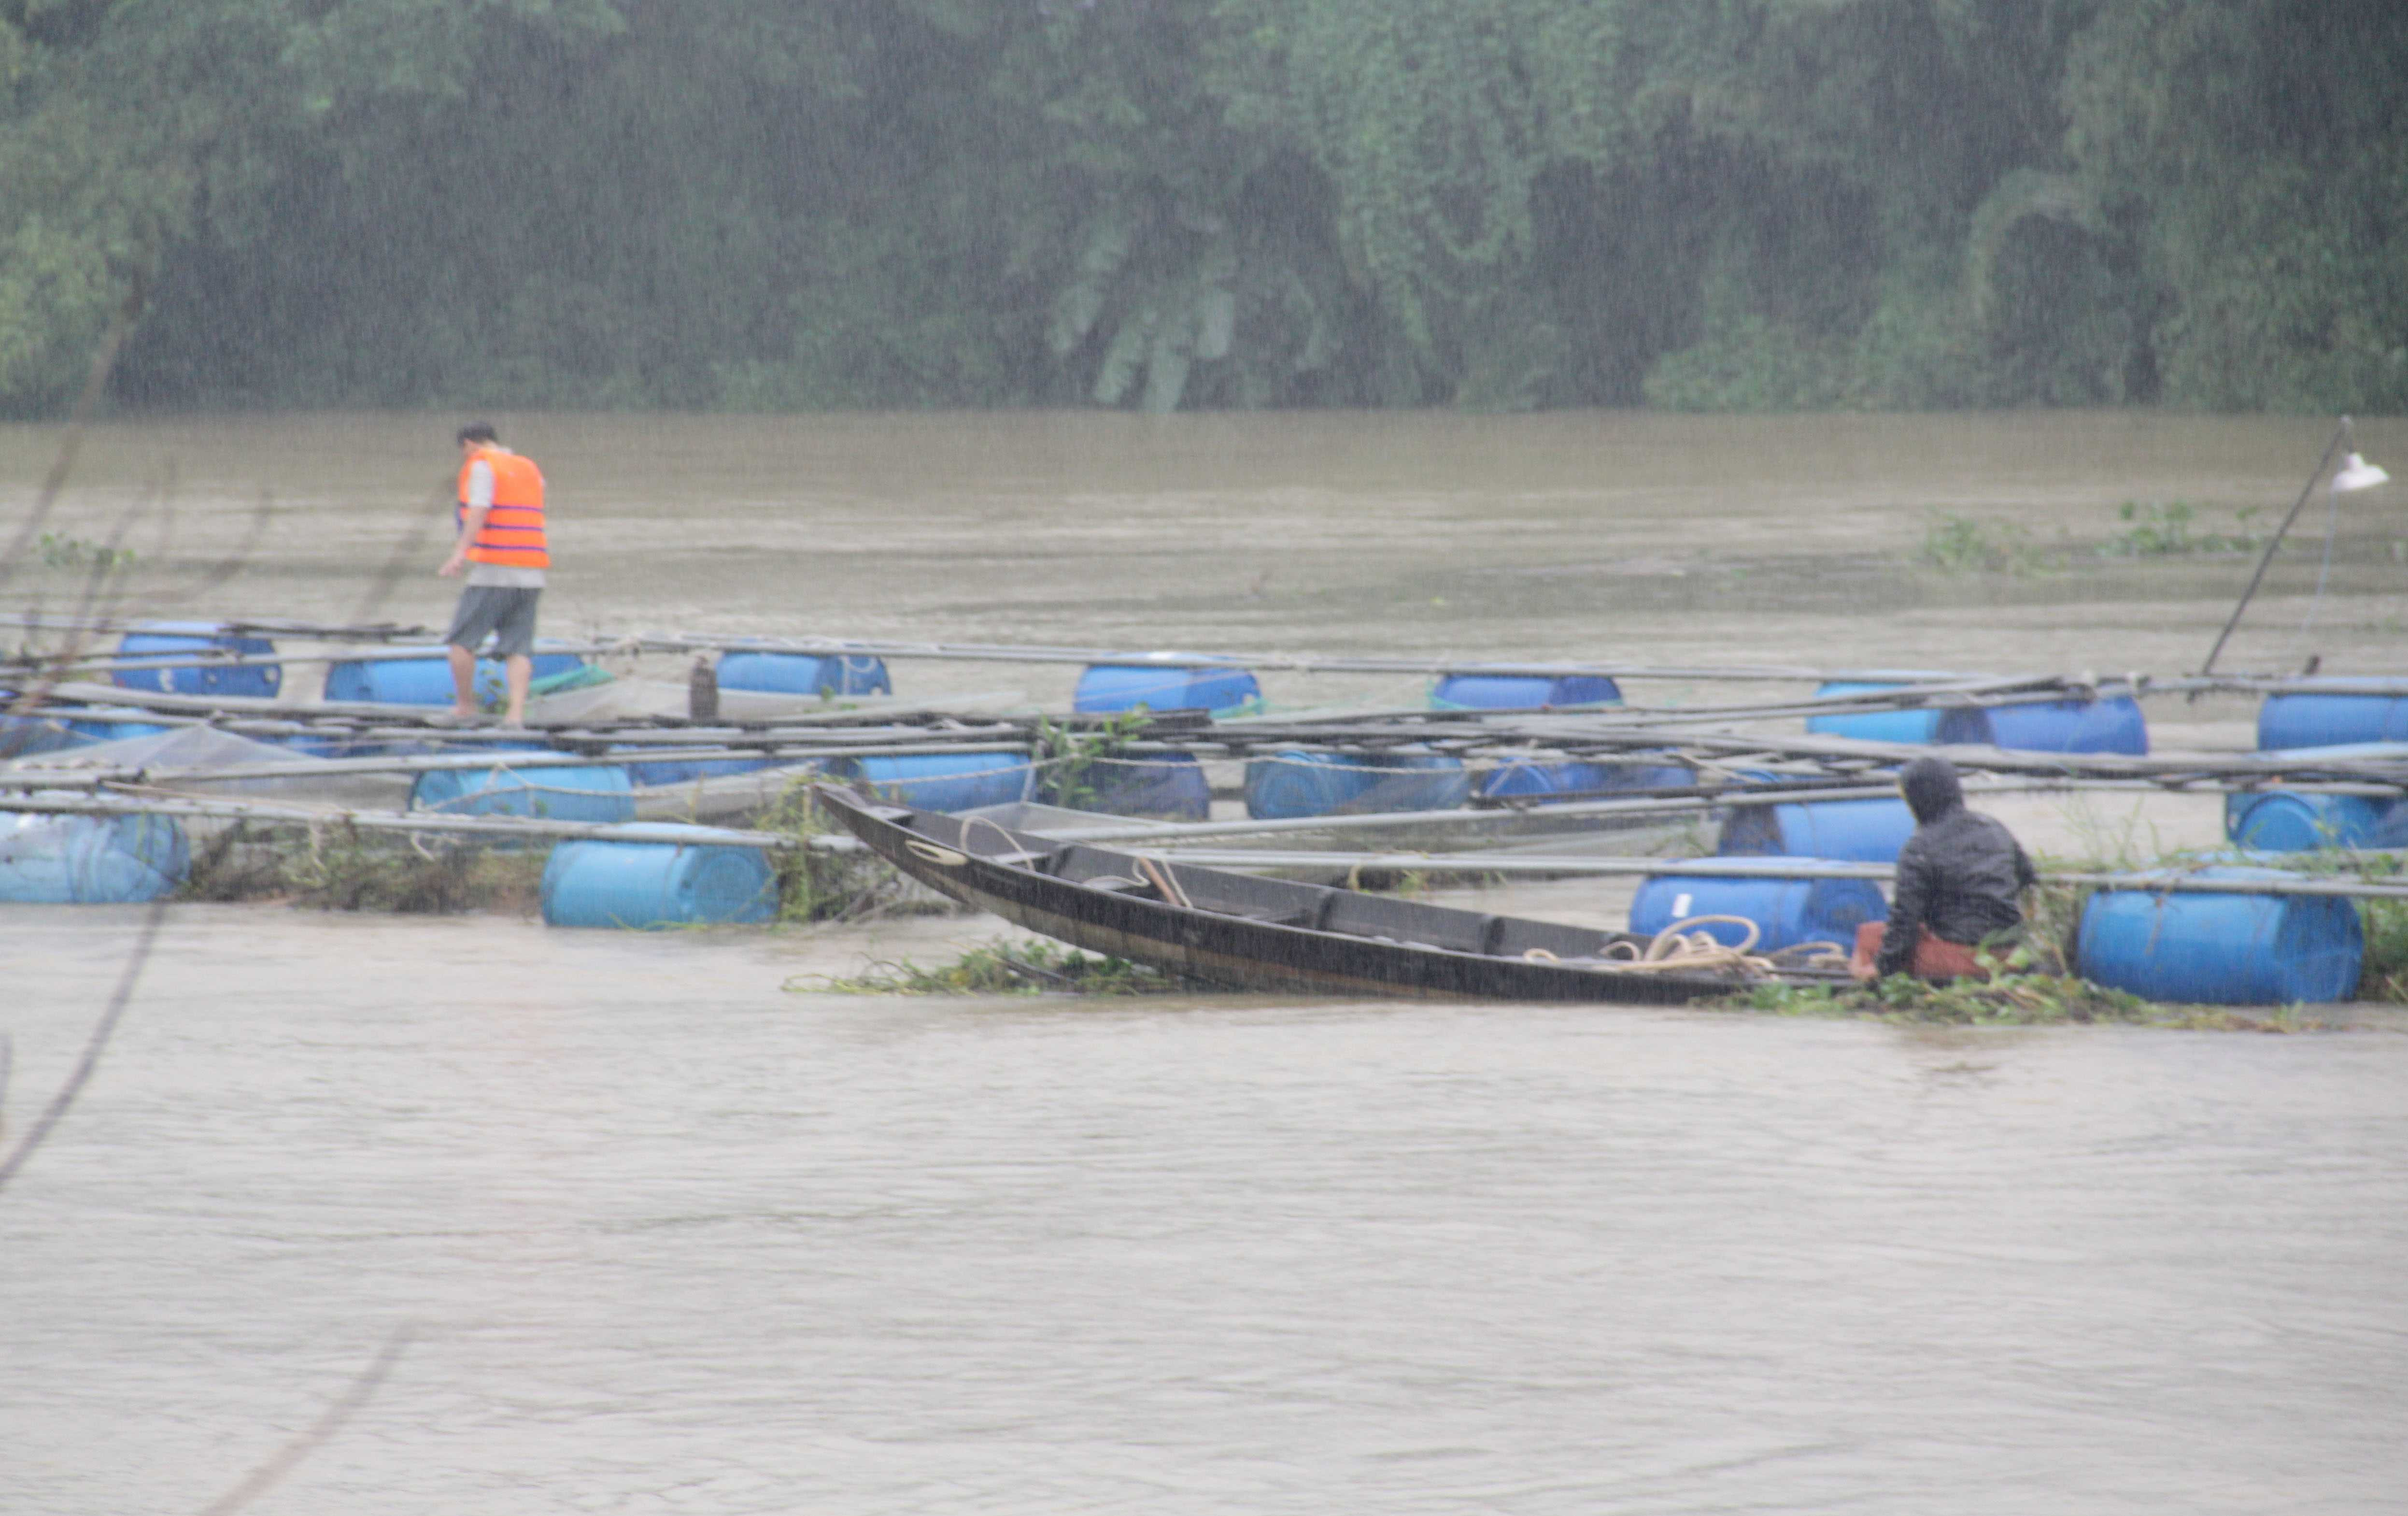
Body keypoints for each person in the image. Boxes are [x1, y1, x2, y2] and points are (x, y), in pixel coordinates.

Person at [1852, 755, 2039, 981]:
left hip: (1963, 956)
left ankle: (1868, 984)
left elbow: (1904, 922)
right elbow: (2028, 878)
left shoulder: (1920, 846)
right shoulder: (1994, 827)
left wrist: (1883, 968)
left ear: (1916, 799)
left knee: (1869, 937)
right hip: (2012, 952)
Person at [438, 422, 547, 726]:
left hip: (494, 572)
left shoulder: (483, 466)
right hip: (532, 572)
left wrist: (459, 553)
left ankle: (465, 708)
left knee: (461, 641)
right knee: (519, 648)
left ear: (469, 445)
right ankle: (515, 715)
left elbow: (479, 510)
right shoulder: (528, 468)